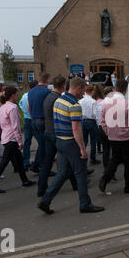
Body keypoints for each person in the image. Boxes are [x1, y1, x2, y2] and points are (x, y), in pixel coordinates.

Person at [38, 78, 104, 215]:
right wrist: (82, 148)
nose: (83, 94)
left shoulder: (58, 101)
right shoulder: (74, 105)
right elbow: (76, 130)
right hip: (71, 142)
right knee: (80, 173)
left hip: (60, 141)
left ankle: (45, 200)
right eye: (83, 90)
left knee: (62, 173)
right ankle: (85, 204)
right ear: (79, 88)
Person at [0, 87, 36, 194]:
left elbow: (1, 121)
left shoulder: (2, 107)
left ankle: (25, 180)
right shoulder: (12, 108)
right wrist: (19, 141)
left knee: (19, 160)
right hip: (11, 139)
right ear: (13, 95)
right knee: (4, 162)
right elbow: (15, 126)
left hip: (6, 137)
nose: (17, 96)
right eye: (16, 94)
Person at [38, 76, 79, 197]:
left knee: (48, 162)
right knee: (68, 160)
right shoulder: (58, 100)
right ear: (63, 87)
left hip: (48, 131)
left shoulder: (48, 97)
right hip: (56, 133)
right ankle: (76, 183)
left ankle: (41, 188)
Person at [99, 79, 129, 194]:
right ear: (125, 90)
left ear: (115, 88)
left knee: (115, 159)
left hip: (113, 137)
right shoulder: (128, 104)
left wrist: (108, 132)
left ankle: (104, 179)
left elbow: (102, 120)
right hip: (127, 138)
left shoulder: (106, 104)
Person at [28, 73, 51, 173]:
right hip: (42, 120)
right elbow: (49, 107)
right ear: (47, 80)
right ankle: (43, 167)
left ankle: (36, 165)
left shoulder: (31, 91)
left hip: (33, 119)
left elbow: (29, 107)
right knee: (45, 145)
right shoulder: (47, 91)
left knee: (41, 144)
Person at [19, 80, 38, 171]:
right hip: (35, 120)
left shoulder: (24, 95)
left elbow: (20, 104)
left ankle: (25, 162)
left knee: (27, 141)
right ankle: (38, 161)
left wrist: (25, 112)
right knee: (42, 142)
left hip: (27, 120)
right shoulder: (35, 95)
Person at [79, 85, 100, 165]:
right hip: (91, 121)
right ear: (92, 92)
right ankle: (92, 158)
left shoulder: (80, 101)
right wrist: (98, 124)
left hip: (83, 121)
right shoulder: (93, 101)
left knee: (84, 140)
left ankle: (82, 156)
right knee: (93, 141)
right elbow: (95, 114)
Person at [97, 86, 113, 169]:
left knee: (105, 149)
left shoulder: (100, 103)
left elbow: (97, 117)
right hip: (109, 127)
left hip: (100, 127)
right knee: (112, 150)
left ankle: (106, 167)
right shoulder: (112, 103)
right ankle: (110, 170)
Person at [93, 84, 105, 154]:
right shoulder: (103, 101)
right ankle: (101, 148)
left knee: (96, 137)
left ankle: (98, 148)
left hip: (95, 121)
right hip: (102, 122)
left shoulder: (93, 100)